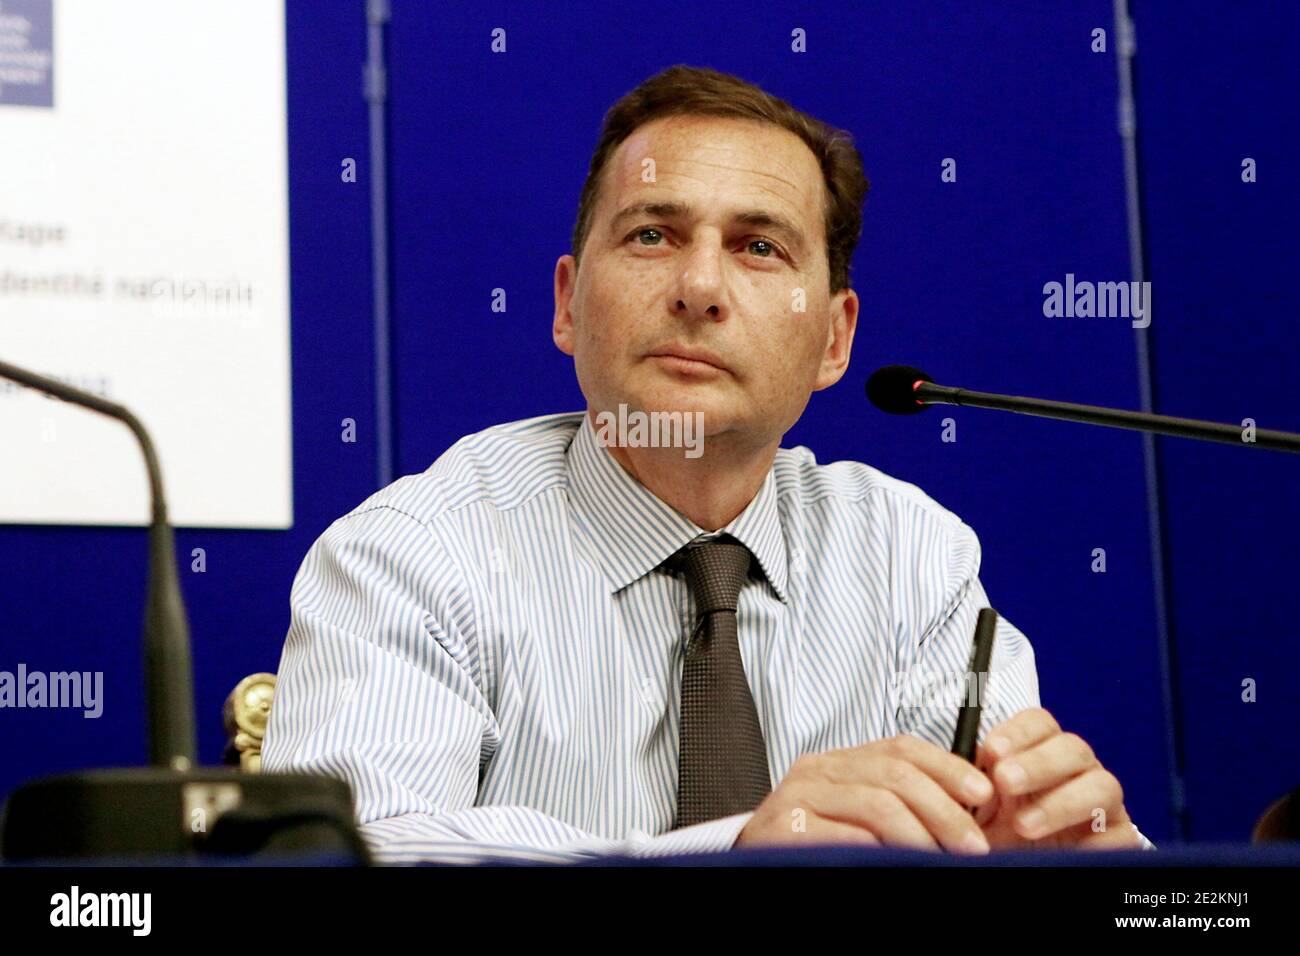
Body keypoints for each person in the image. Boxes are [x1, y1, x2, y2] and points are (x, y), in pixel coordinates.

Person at [261, 64, 1153, 863]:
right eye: (652, 235)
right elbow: (351, 852)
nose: (700, 288)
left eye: (759, 247)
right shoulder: (415, 554)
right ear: (569, 304)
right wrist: (737, 851)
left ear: (835, 339)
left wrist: (1073, 858)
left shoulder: (909, 555)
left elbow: (1009, 835)